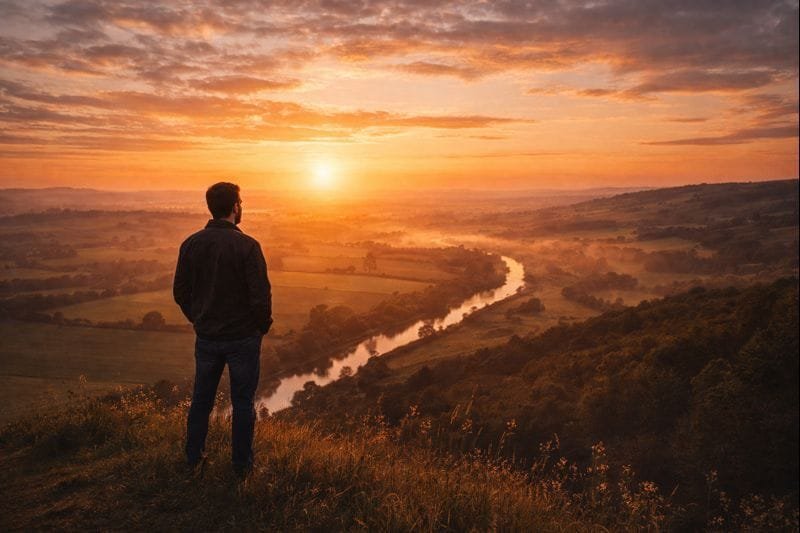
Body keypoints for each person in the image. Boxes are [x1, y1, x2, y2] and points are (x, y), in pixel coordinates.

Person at [173, 182, 272, 478]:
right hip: (242, 339)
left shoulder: (191, 243)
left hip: (207, 337)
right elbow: (261, 296)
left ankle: (193, 459)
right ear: (235, 207)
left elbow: (180, 292)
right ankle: (242, 467)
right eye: (241, 202)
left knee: (201, 399)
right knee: (242, 403)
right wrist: (260, 328)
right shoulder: (248, 246)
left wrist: (199, 319)